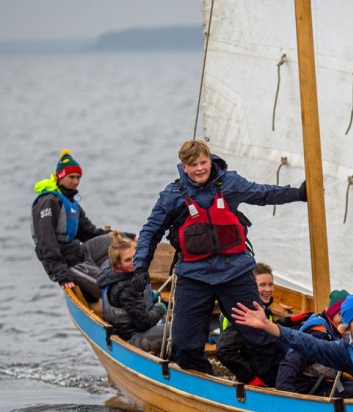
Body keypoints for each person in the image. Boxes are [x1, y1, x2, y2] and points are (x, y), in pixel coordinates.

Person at [130, 139, 306, 373]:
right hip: (194, 277)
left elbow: (263, 194)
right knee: (185, 344)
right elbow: (151, 231)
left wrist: (298, 194)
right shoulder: (172, 196)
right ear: (184, 167)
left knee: (260, 335)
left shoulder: (229, 183)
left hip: (236, 273)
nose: (200, 168)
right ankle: (203, 384)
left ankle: (277, 381)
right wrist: (141, 266)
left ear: (210, 160)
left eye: (203, 162)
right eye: (193, 165)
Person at [31, 149, 113, 301]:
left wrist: (126, 238)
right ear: (60, 177)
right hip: (65, 263)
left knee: (114, 242)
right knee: (111, 288)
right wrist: (62, 274)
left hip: (78, 254)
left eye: (78, 177)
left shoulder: (71, 202)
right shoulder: (49, 202)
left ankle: (108, 276)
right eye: (71, 177)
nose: (75, 181)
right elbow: (46, 241)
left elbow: (90, 233)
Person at [276, 289, 353, 397]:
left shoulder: (335, 330)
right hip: (305, 388)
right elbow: (291, 362)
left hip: (323, 382)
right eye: (340, 314)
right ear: (332, 312)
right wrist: (287, 396)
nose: (345, 320)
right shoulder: (318, 335)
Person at [215, 262, 287, 386]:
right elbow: (224, 350)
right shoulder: (244, 314)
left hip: (274, 370)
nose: (268, 290)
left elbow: (268, 327)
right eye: (262, 285)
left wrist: (289, 321)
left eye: (271, 285)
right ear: (251, 287)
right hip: (265, 379)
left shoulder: (261, 308)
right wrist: (251, 379)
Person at [96, 232, 167, 352]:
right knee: (177, 328)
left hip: (128, 329)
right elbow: (144, 323)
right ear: (118, 264)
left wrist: (150, 295)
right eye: (128, 260)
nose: (134, 262)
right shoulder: (127, 288)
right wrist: (159, 309)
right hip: (131, 338)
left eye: (135, 256)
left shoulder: (109, 270)